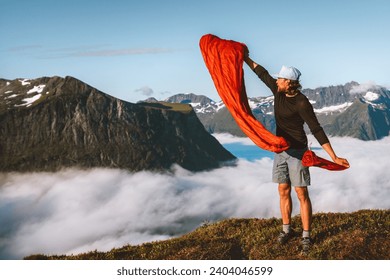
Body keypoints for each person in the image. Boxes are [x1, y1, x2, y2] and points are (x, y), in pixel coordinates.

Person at [244, 48, 350, 254]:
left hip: (298, 153)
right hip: (280, 151)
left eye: (280, 79)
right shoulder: (278, 91)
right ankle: (286, 230)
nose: (276, 81)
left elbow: (316, 129)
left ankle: (306, 236)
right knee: (283, 190)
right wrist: (244, 57)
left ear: (289, 82)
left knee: (301, 193)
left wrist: (333, 156)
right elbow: (262, 73)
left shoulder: (302, 102)